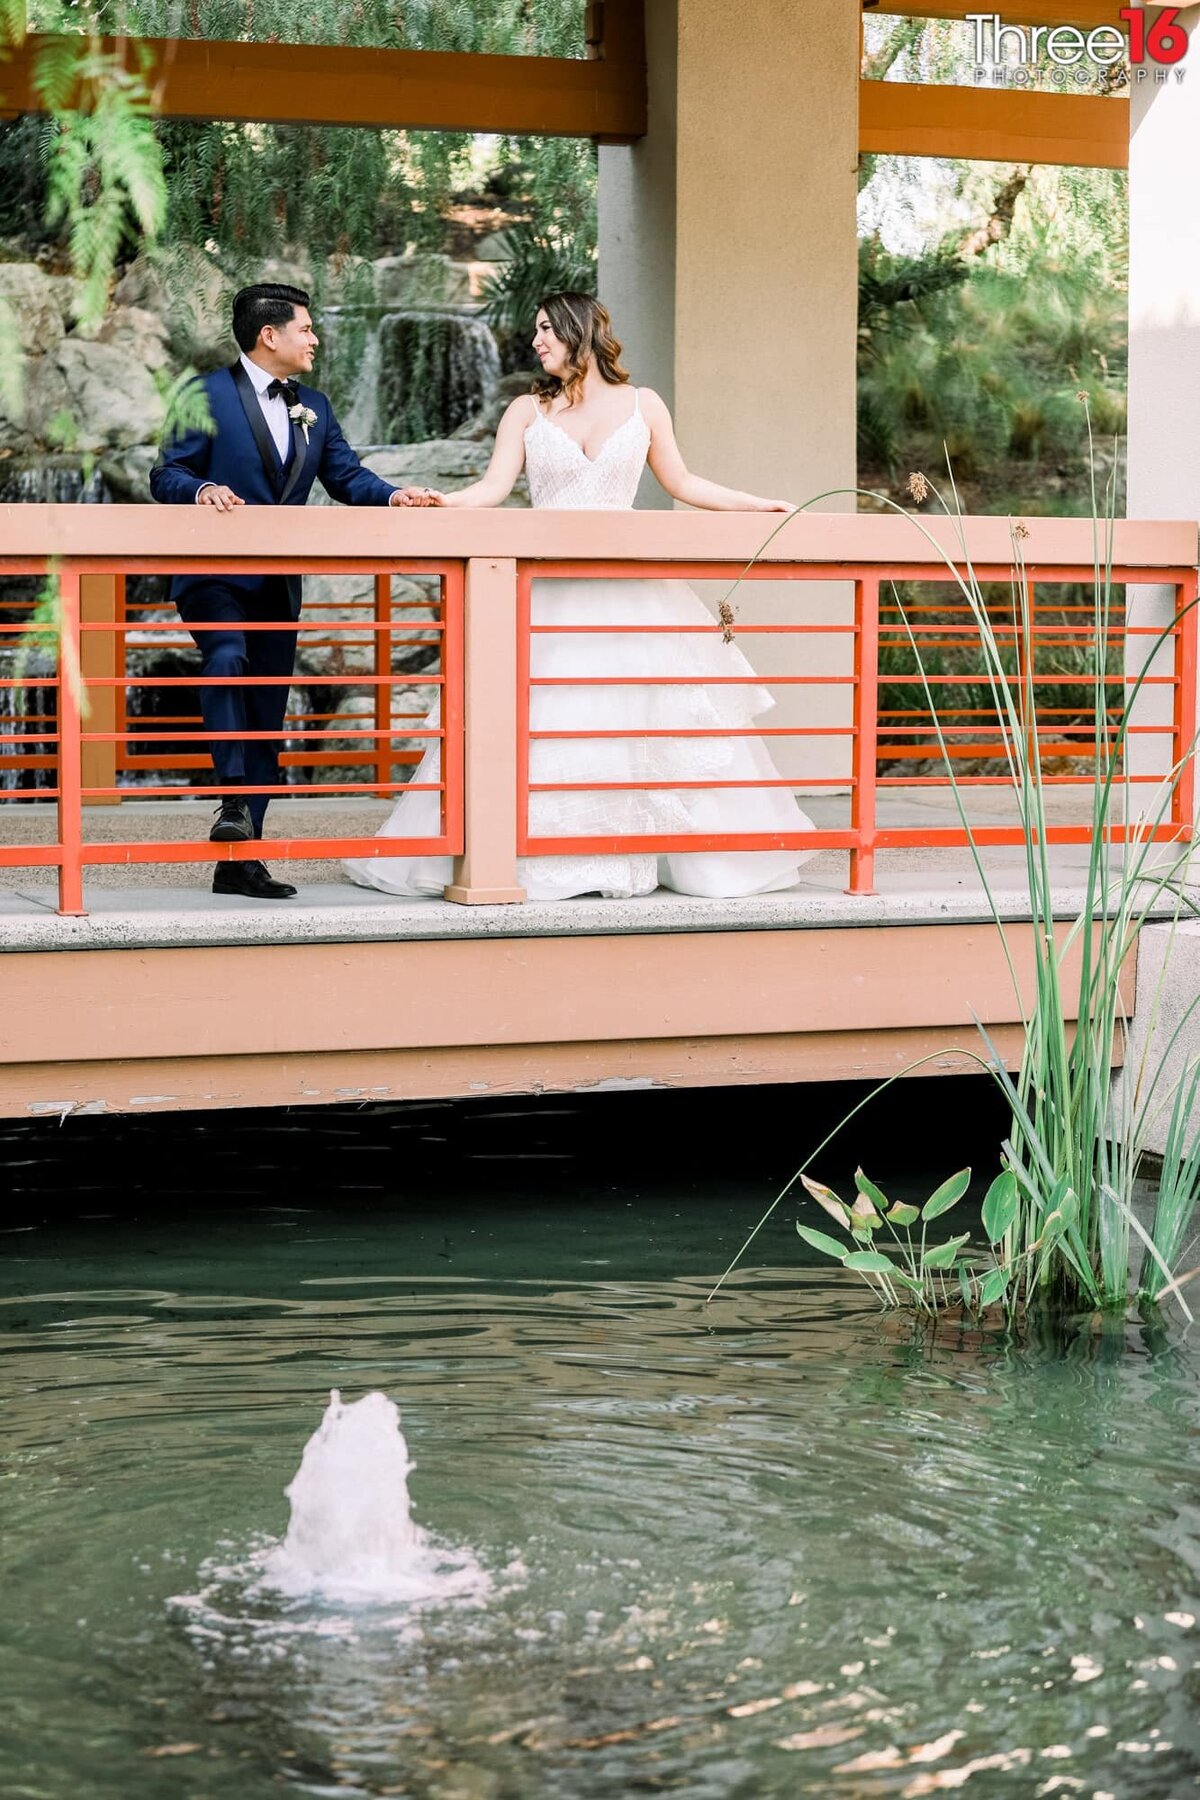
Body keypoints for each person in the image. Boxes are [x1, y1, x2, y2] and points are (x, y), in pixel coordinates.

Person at [342, 291, 817, 903]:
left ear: (579, 332)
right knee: (546, 717)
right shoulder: (525, 411)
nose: (536, 341)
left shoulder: (645, 404)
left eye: (546, 330)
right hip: (548, 596)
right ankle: (533, 858)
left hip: (635, 597)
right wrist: (440, 501)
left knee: (648, 720)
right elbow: (491, 490)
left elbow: (682, 481)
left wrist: (759, 505)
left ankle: (666, 857)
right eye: (535, 331)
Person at [150, 282, 424, 900]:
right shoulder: (202, 393)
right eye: (306, 328)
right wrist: (199, 491)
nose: (315, 339)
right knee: (225, 659)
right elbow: (167, 470)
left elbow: (346, 476)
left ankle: (239, 865)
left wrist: (396, 496)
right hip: (212, 574)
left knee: (269, 717)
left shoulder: (315, 407)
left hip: (278, 583)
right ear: (269, 335)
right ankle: (231, 803)